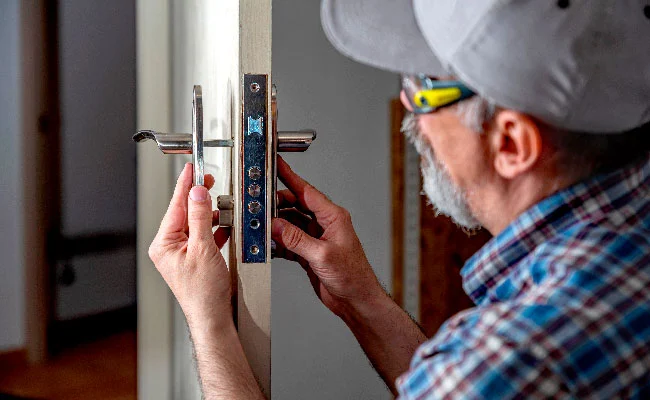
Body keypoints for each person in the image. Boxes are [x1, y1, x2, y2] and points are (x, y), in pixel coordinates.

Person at [148, 0, 650, 398]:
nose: (409, 109)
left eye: (427, 85)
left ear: (511, 143)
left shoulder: (515, 358)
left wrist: (209, 321)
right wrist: (361, 299)